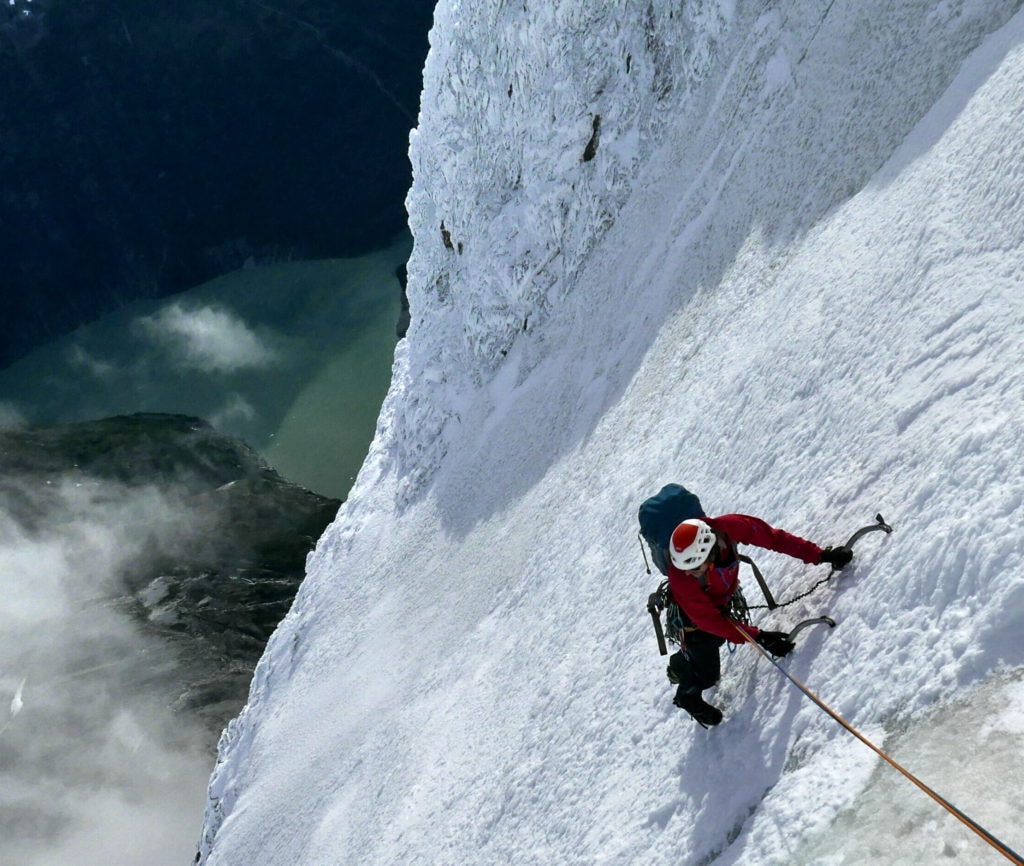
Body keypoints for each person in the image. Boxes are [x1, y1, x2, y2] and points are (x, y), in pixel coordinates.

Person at [666, 514, 852, 726]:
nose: (689, 574)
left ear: (711, 550)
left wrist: (820, 555)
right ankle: (686, 694)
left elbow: (773, 538)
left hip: (721, 599)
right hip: (694, 620)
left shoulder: (730, 527)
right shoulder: (682, 579)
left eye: (696, 568)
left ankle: (681, 663)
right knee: (708, 675)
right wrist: (760, 637)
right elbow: (710, 621)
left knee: (713, 645)